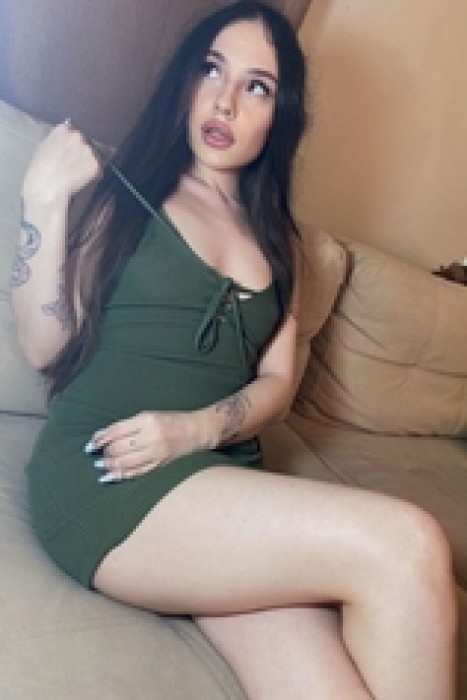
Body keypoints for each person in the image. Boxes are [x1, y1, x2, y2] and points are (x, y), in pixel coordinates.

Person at [11, 2, 456, 698]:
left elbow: (277, 385)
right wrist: (42, 202)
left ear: (280, 116)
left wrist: (195, 429)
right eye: (211, 70)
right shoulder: (128, 193)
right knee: (409, 543)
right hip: (110, 474)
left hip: (219, 475)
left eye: (257, 86)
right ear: (186, 81)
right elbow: (45, 347)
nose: (224, 101)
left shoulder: (281, 242)